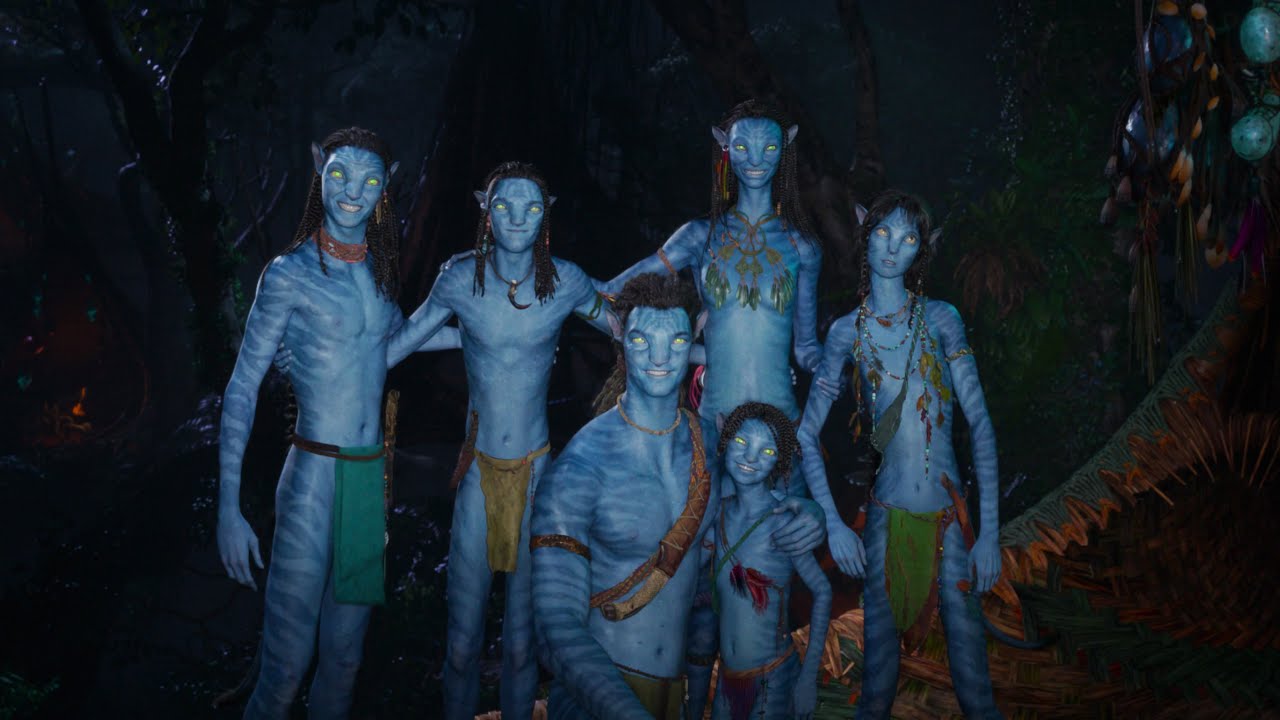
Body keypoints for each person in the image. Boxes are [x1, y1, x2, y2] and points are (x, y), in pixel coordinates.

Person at [530, 273, 826, 720]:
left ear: (698, 332)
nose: (660, 357)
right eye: (642, 340)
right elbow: (555, 626)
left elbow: (765, 502)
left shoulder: (710, 447)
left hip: (673, 695)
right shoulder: (580, 467)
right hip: (597, 699)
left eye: (677, 340)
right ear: (618, 333)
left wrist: (809, 512)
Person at [385, 161, 610, 720]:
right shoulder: (460, 278)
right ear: (485, 209)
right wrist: (320, 354)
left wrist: (701, 345)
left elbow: (635, 329)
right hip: (478, 475)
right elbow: (398, 344)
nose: (516, 218)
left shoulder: (566, 281)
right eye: (504, 205)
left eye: (530, 207)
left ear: (546, 214)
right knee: (461, 646)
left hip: (537, 476)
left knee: (521, 647)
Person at [217, 127, 407, 719]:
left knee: (344, 664)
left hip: (366, 484)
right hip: (312, 477)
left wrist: (495, 333)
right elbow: (242, 386)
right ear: (319, 171)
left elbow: (395, 346)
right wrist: (227, 508)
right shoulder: (288, 273)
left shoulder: (380, 275)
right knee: (285, 668)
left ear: (386, 189)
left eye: (369, 180)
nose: (353, 191)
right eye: (340, 174)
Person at [796, 190, 1004, 718]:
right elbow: (805, 433)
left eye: (908, 238)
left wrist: (989, 535)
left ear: (922, 250)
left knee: (973, 678)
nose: (892, 247)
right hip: (884, 521)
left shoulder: (941, 319)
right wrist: (834, 526)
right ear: (865, 235)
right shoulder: (846, 333)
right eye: (883, 233)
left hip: (949, 519)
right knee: (877, 683)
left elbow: (980, 421)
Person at [603, 99, 823, 493]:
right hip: (712, 428)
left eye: (769, 147)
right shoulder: (698, 236)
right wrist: (545, 279)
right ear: (724, 147)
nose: (755, 159)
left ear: (785, 149)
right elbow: (611, 293)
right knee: (706, 529)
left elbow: (806, 349)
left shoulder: (802, 247)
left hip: (782, 429)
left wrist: (845, 358)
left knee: (784, 529)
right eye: (742, 146)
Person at [710, 402, 830, 720]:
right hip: (727, 679)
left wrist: (808, 678)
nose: (750, 457)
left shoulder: (782, 522)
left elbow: (822, 590)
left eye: (767, 451)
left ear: (780, 460)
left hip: (773, 678)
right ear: (724, 440)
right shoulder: (717, 513)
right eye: (741, 441)